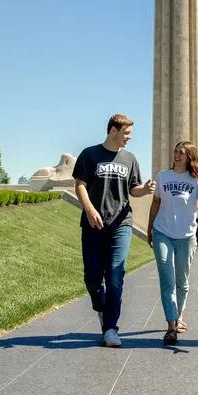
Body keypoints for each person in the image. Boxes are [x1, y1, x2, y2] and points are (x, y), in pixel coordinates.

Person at [73, 114, 156, 347]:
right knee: (92, 277)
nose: (129, 138)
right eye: (126, 133)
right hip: (93, 223)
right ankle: (100, 305)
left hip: (121, 223)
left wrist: (145, 189)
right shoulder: (90, 154)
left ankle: (110, 327)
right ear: (113, 131)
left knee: (116, 275)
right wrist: (89, 209)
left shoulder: (130, 158)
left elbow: (134, 189)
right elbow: (80, 184)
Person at [147, 141, 198, 345]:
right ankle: (171, 327)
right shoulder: (162, 177)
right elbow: (155, 204)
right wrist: (150, 229)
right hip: (163, 232)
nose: (176, 155)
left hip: (186, 236)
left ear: (190, 157)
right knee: (167, 279)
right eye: (175, 151)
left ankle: (179, 317)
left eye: (181, 153)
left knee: (182, 281)